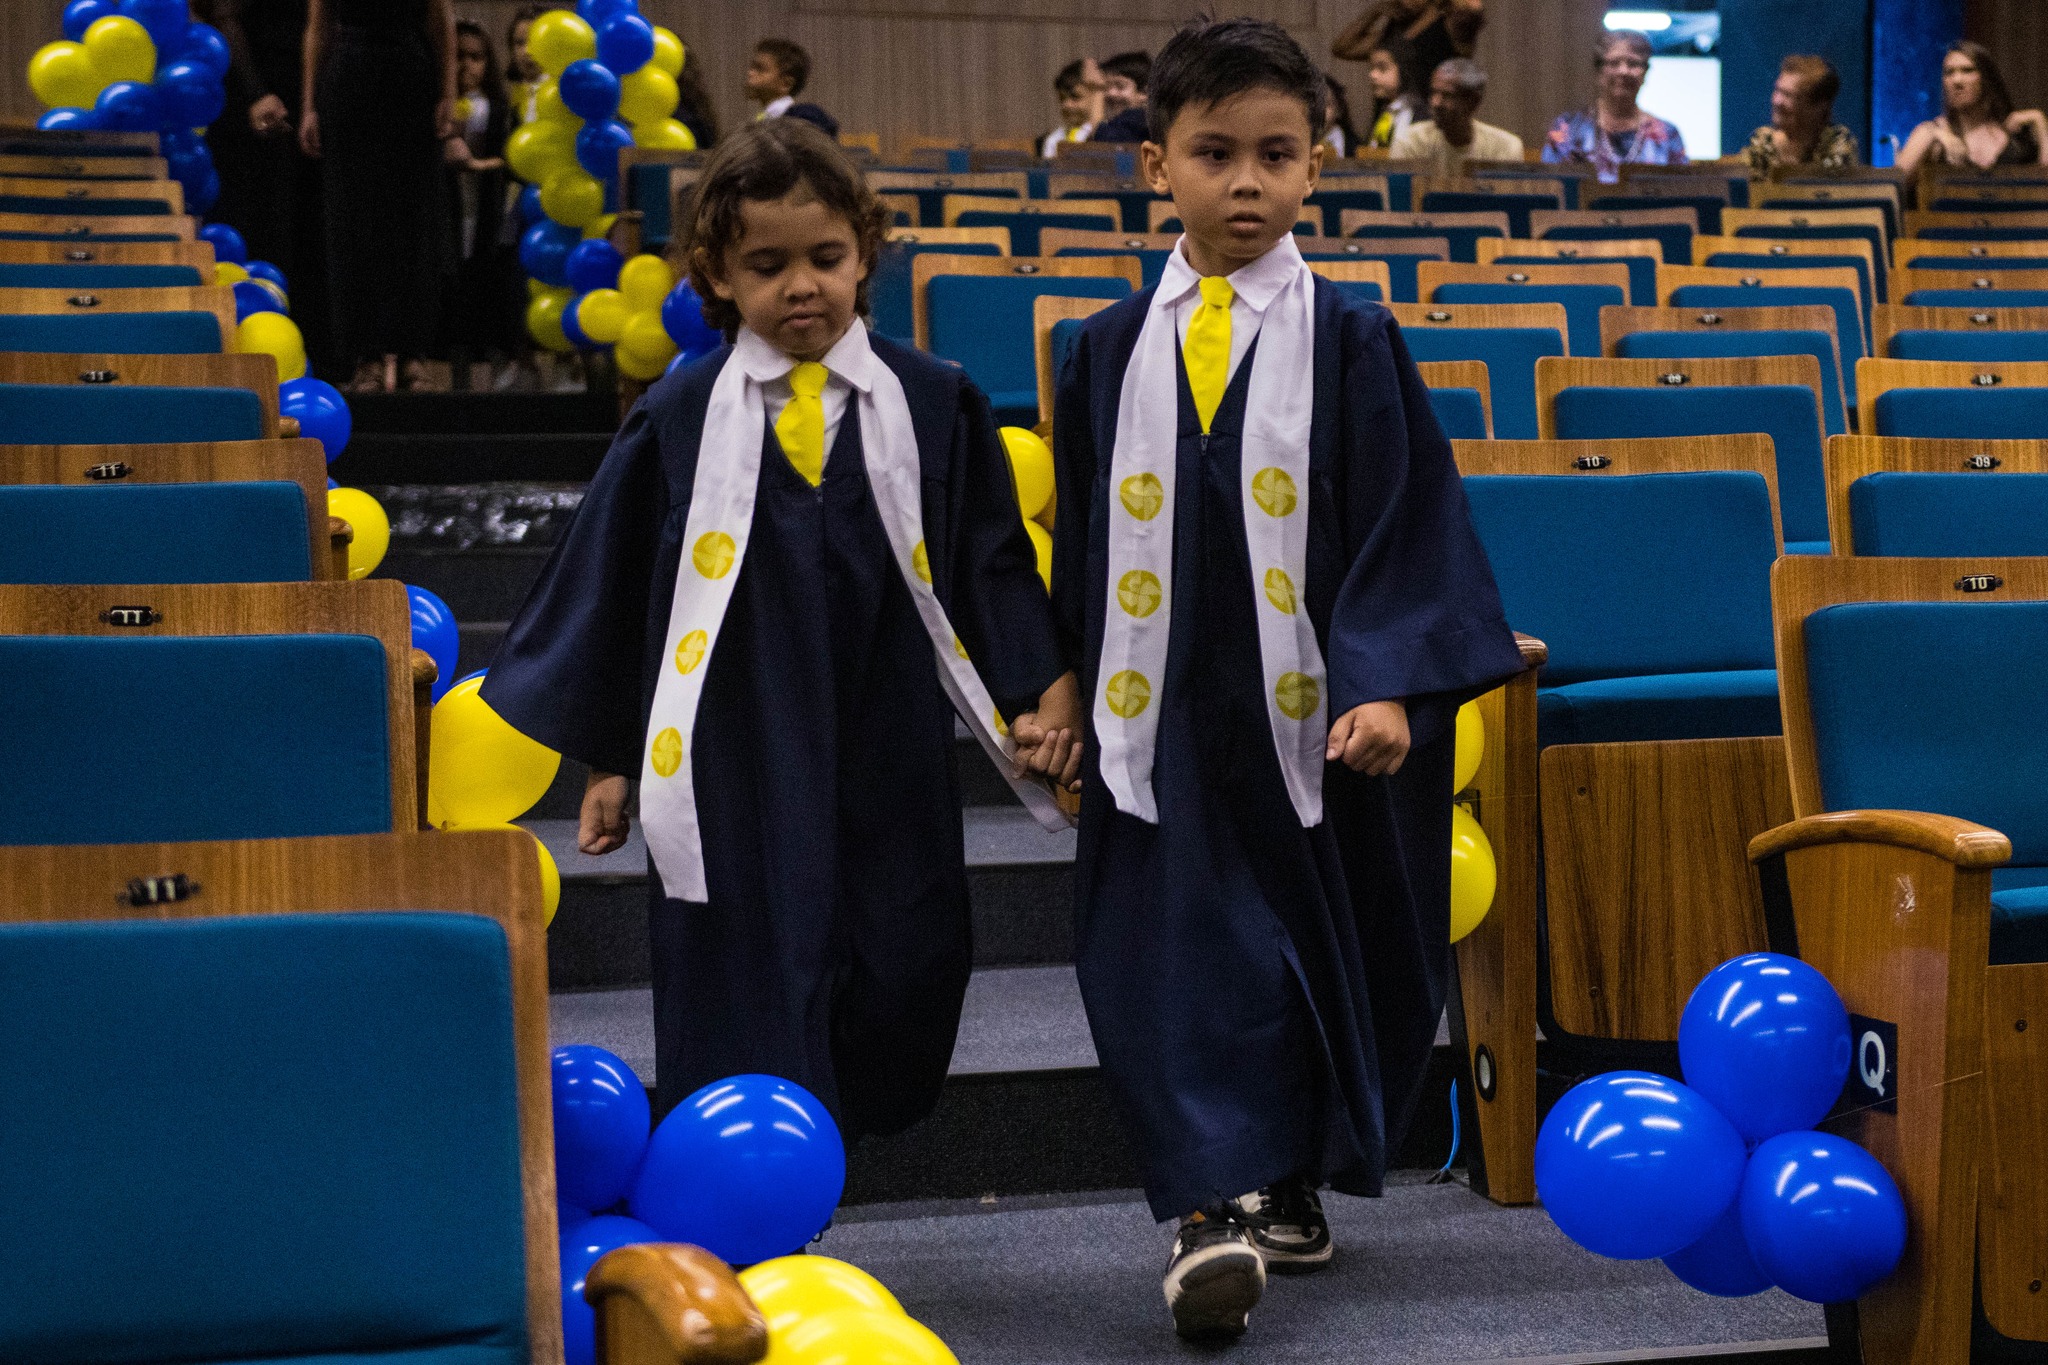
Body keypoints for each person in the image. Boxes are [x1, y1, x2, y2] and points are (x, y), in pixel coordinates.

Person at [1047, 15, 1521, 1343]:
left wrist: (1386, 683)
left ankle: (1285, 1171)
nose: (1246, 182)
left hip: (1308, 713)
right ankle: (1207, 1204)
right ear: (1156, 166)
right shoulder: (1103, 350)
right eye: (1214, 154)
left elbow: (1405, 526)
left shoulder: (1353, 339)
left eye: (1276, 154)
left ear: (1318, 166)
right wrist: (1064, 681)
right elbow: (1081, 541)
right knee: (1171, 947)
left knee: (1304, 944)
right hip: (1158, 713)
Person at [482, 119, 1084, 1150]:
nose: (801, 287)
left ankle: (851, 1115)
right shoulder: (677, 417)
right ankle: (757, 1168)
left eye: (825, 259)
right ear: (716, 274)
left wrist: (1042, 685)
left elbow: (989, 561)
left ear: (865, 253)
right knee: (743, 952)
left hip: (889, 729)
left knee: (907, 951)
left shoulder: (934, 401)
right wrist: (613, 759)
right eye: (767, 266)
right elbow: (622, 594)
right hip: (733, 743)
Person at [301, 0, 456, 393]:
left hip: (411, 77)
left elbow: (441, 23)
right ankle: (365, 357)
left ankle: (413, 355)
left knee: (415, 220)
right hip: (348, 78)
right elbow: (317, 28)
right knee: (352, 221)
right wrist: (309, 107)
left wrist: (448, 93)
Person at [196, 0, 330, 375]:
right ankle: (257, 356)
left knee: (306, 234)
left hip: (305, 97)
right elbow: (224, 14)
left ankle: (312, 358)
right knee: (260, 232)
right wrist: (255, 92)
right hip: (250, 102)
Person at [441, 19, 522, 391]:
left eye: (476, 58)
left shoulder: (500, 107)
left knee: (486, 291)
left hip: (489, 214)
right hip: (448, 212)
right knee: (452, 294)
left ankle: (493, 380)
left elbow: (514, 159)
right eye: (459, 56)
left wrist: (476, 165)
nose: (467, 66)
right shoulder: (439, 107)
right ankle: (457, 378)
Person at [1542, 29, 1687, 182]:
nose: (1623, 71)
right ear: (1599, 72)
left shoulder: (1668, 134)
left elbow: (1682, 190)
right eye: (1614, 63)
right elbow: (1552, 187)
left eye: (1633, 63)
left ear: (1645, 73)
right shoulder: (1568, 129)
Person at [1897, 40, 2048, 174]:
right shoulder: (1932, 132)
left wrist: (2040, 121)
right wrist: (1932, 134)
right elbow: (1895, 185)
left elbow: (2042, 185)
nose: (1957, 80)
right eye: (1949, 72)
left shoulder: (2014, 133)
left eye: (1967, 70)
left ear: (1986, 78)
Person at [1390, 58, 1522, 174]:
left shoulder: (1504, 148)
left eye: (1447, 95)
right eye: (1434, 92)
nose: (1436, 103)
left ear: (1473, 102)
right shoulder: (1411, 141)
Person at [1332, 0, 1484, 92]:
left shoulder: (1449, 26)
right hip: (1391, 120)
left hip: (1428, 120)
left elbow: (1472, 10)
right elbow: (1343, 48)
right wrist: (1376, 10)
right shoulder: (1393, 30)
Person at [1744, 54, 1858, 173]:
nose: (1777, 101)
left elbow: (1829, 183)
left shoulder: (1837, 142)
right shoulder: (1762, 142)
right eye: (1777, 90)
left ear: (1818, 107)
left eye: (1788, 95)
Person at [746, 38, 838, 140]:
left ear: (785, 84)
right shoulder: (761, 120)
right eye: (752, 67)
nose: (750, 73)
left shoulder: (806, 119)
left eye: (760, 69)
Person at [1362, 39, 1425, 149]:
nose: (1372, 75)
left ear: (1404, 69)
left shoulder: (1420, 114)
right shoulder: (1384, 113)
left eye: (1382, 68)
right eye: (1371, 68)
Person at [1043, 59, 1101, 157]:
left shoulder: (1103, 133)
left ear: (1094, 97)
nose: (1066, 104)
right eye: (1062, 98)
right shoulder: (1054, 139)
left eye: (1075, 97)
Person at [1092, 51, 1152, 143]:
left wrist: (1096, 89)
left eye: (1120, 86)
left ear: (1144, 92)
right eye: (1106, 87)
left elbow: (1106, 142)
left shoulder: (1139, 120)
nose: (1111, 93)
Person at [505, 3, 545, 125]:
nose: (526, 51)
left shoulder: (563, 94)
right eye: (519, 43)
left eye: (534, 41)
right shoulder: (511, 95)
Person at [1322, 72, 1361, 159]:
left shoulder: (1352, 145)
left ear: (1338, 110)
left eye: (1327, 104)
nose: (1320, 109)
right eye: (1314, 103)